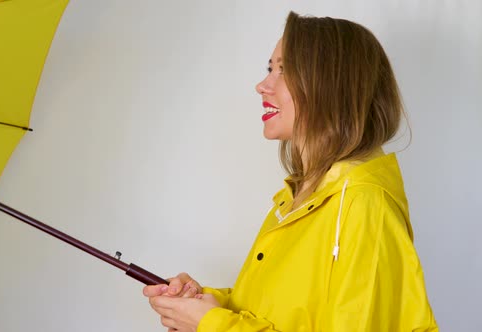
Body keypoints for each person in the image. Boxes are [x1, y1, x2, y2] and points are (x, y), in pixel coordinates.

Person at [143, 11, 438, 331]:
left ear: (331, 83)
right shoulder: (297, 199)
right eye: (270, 69)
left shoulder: (364, 206)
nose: (262, 85)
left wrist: (214, 324)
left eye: (284, 71)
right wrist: (205, 304)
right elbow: (285, 315)